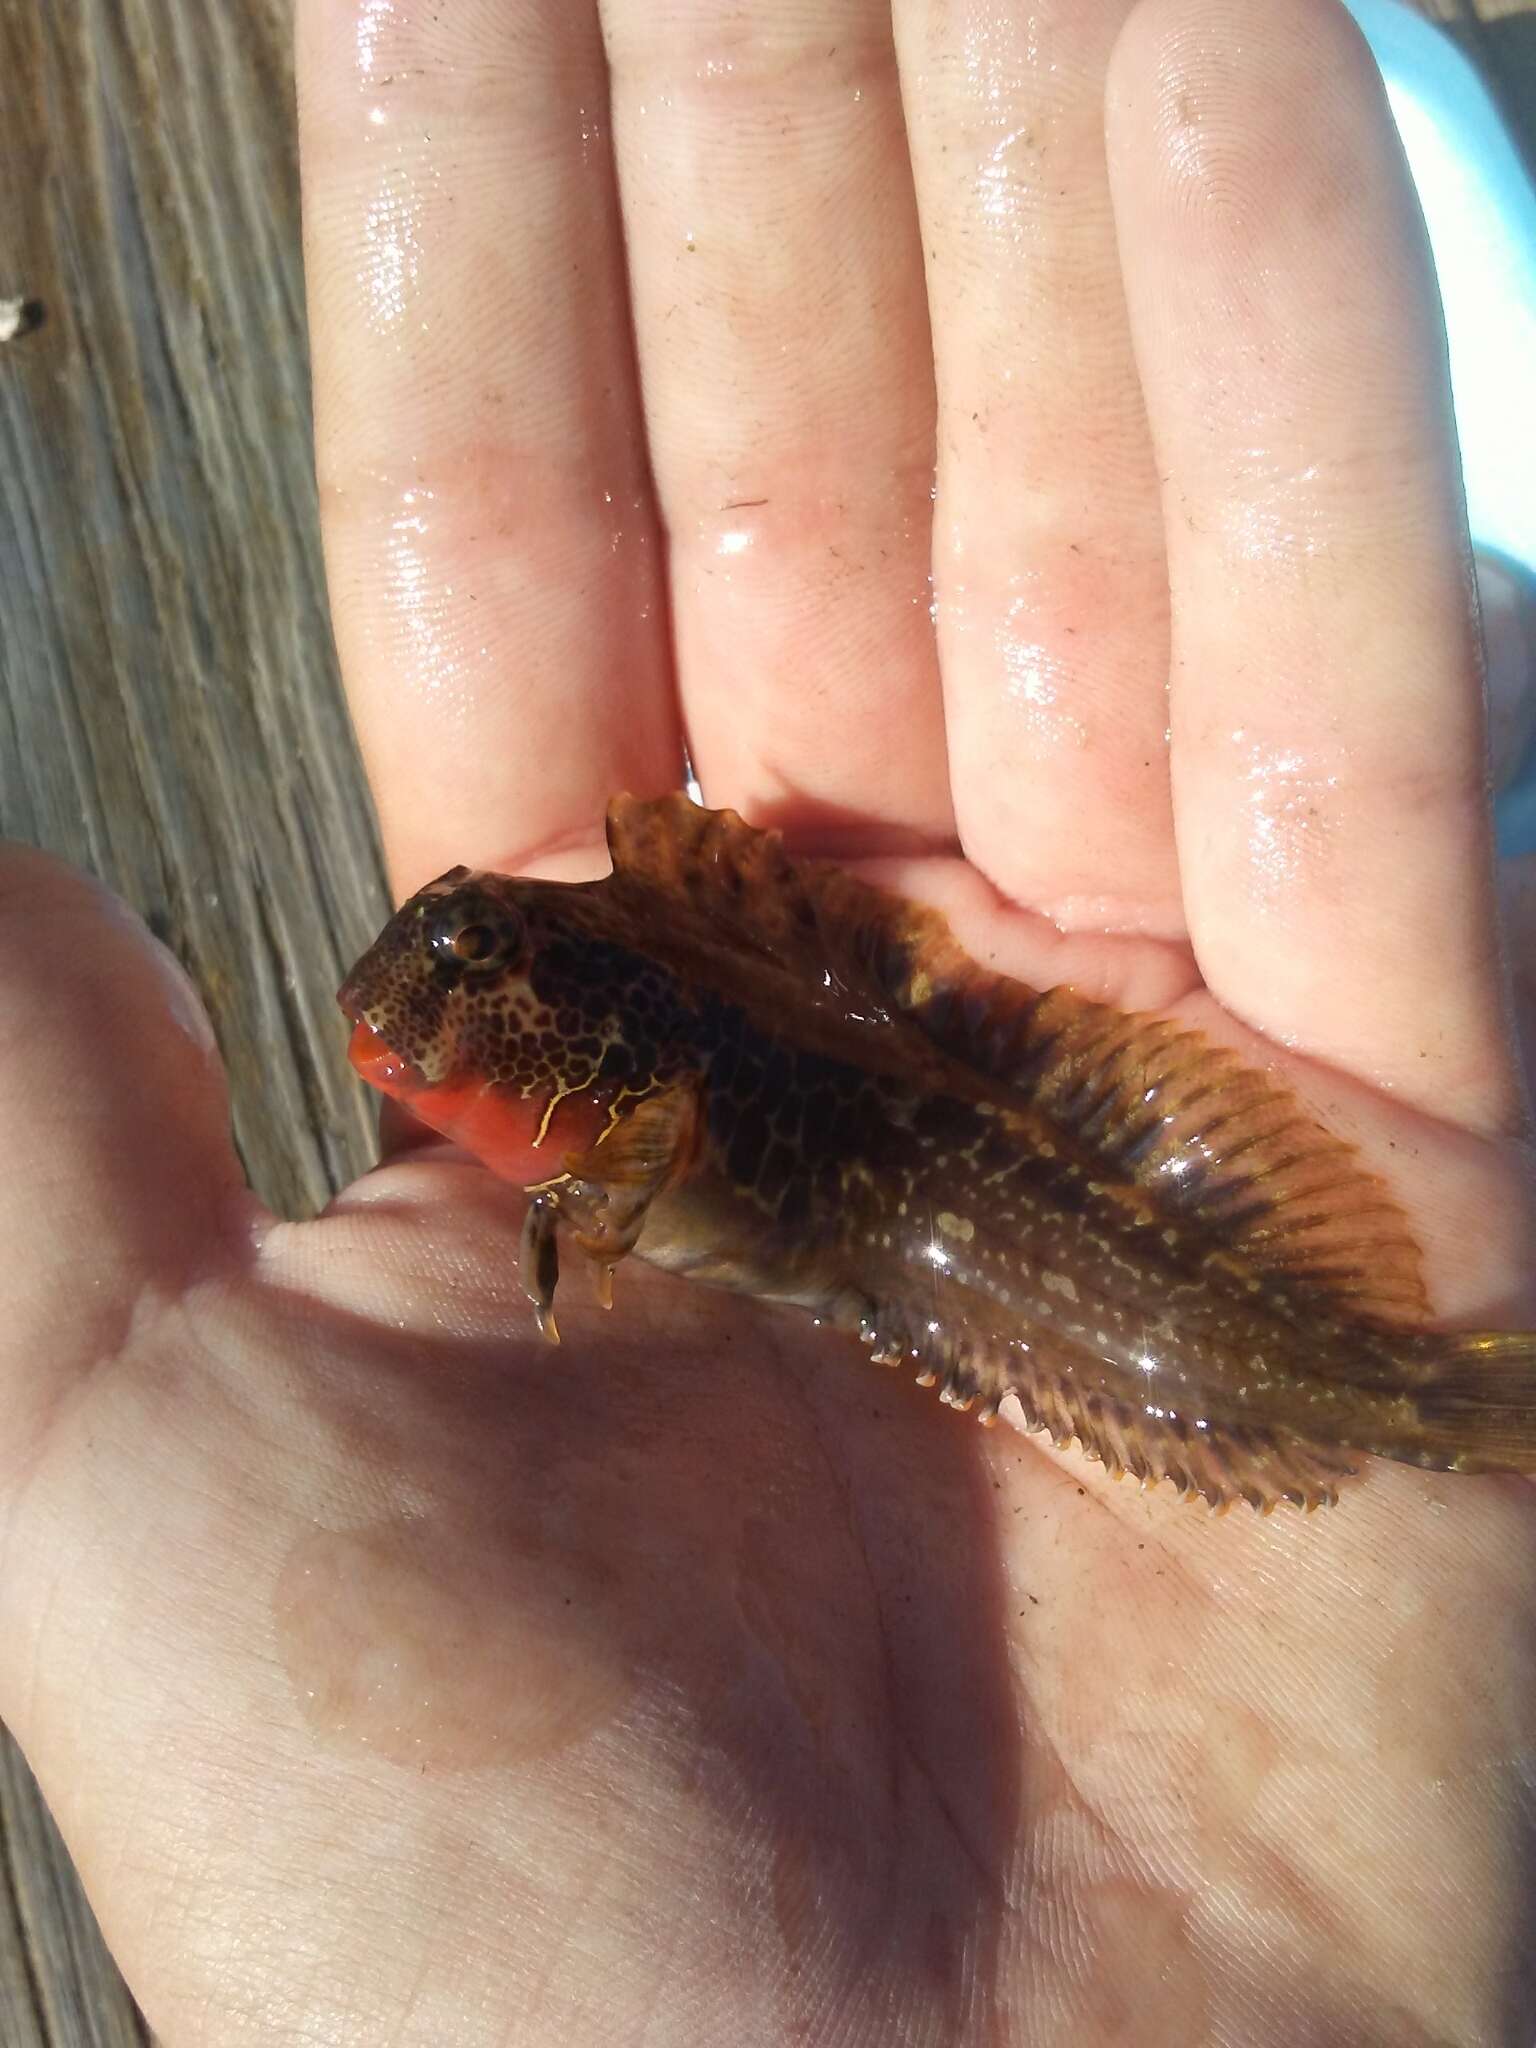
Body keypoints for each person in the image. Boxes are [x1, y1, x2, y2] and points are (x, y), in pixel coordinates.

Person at [2, 0, 1532, 2038]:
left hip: (1011, 1222)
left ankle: (1436, 1396)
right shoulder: (606, 1076)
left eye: (473, 972)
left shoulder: (615, 1088)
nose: (418, 1003)